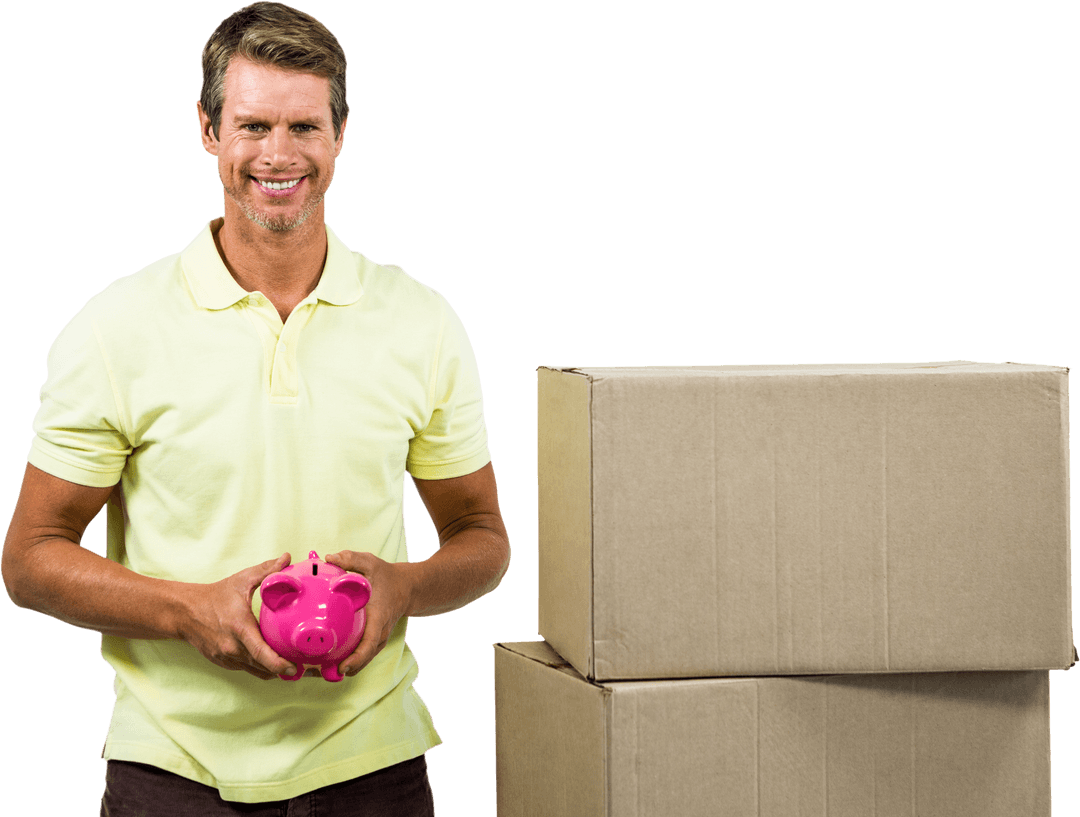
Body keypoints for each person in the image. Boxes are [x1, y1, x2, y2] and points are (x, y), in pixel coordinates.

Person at [0, 2, 510, 814]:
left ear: (341, 133)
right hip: (170, 771)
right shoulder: (115, 328)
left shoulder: (422, 321)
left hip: (373, 767)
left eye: (305, 126)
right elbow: (29, 557)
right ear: (208, 129)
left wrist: (405, 587)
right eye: (252, 125)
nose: (279, 155)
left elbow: (483, 538)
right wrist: (187, 609)